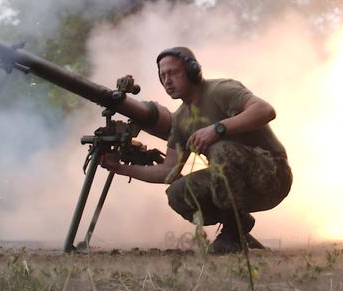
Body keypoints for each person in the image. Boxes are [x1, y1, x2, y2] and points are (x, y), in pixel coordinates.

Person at [100, 47, 292, 254]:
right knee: (177, 193)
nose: (167, 81)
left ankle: (233, 232)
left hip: (273, 175)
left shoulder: (221, 89)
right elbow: (168, 172)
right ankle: (238, 225)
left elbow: (266, 110)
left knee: (221, 149)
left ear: (193, 71)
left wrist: (218, 129)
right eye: (162, 76)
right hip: (240, 187)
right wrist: (121, 168)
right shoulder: (181, 119)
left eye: (173, 73)